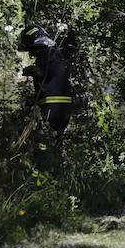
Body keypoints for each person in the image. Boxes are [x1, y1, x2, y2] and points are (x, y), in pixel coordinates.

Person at [17, 25, 73, 170]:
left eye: (30, 49)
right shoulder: (55, 54)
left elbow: (44, 75)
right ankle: (57, 171)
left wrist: (33, 71)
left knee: (42, 142)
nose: (31, 53)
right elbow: (51, 80)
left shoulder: (46, 55)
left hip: (51, 107)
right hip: (63, 108)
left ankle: (44, 173)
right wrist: (32, 99)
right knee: (56, 141)